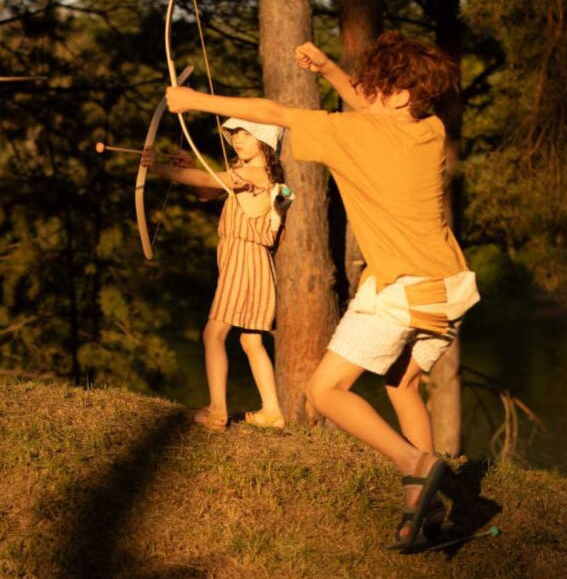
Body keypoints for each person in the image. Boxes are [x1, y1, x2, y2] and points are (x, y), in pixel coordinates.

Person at [162, 30, 480, 552]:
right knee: (401, 386)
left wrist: (193, 101)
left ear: (398, 95)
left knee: (324, 392)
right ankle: (425, 513)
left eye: (373, 85)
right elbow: (373, 111)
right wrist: (329, 69)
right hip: (451, 287)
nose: (361, 90)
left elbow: (273, 110)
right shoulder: (428, 130)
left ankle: (417, 465)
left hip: (402, 288)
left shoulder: (350, 133)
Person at [141, 118, 293, 431]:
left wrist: (161, 168)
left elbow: (212, 180)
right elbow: (206, 191)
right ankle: (272, 411)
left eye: (246, 134)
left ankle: (218, 411)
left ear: (264, 141)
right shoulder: (249, 172)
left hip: (244, 259)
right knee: (251, 341)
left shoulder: (254, 172)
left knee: (213, 334)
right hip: (252, 261)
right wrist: (190, 167)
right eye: (235, 133)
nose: (237, 139)